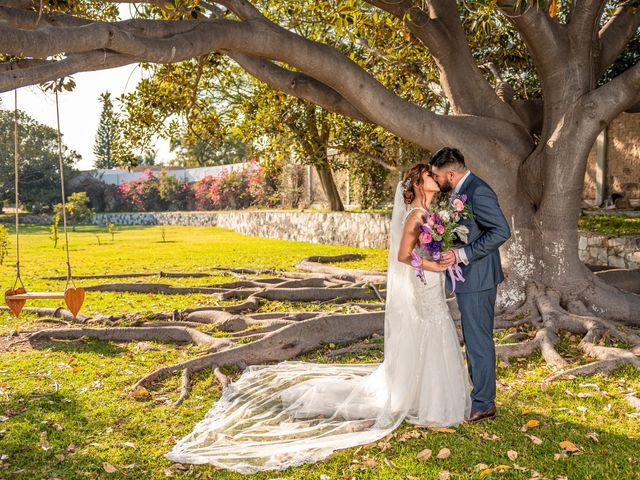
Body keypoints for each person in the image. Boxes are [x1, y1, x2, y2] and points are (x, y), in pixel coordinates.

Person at [165, 163, 470, 474]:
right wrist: (436, 266)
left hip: (432, 280)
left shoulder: (433, 215)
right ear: (419, 183)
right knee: (431, 329)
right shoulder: (416, 216)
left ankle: (426, 396)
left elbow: (428, 249)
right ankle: (426, 401)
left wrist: (444, 254)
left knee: (436, 330)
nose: (436, 178)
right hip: (425, 281)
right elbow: (404, 257)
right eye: (431, 175)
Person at [429, 147, 511, 423]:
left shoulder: (478, 191)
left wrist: (461, 254)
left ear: (450, 173)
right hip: (469, 278)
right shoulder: (462, 190)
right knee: (474, 338)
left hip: (478, 277)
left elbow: (501, 230)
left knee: (478, 341)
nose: (436, 181)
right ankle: (481, 397)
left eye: (438, 176)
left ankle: (484, 403)